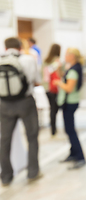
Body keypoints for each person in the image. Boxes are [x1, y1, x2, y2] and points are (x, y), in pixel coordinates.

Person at [0, 37, 42, 186]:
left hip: (4, 104)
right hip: (25, 102)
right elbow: (37, 80)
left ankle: (6, 175)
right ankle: (33, 172)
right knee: (32, 136)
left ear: (5, 47)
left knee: (4, 140)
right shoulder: (28, 59)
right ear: (20, 47)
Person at [55, 48, 86, 170]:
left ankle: (80, 157)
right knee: (69, 129)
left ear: (72, 56)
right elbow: (64, 77)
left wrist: (58, 83)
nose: (65, 56)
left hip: (70, 102)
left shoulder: (74, 70)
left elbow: (69, 88)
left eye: (67, 54)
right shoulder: (73, 68)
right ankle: (73, 153)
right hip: (69, 102)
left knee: (70, 130)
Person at [43, 44, 62, 136]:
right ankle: (53, 128)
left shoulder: (45, 61)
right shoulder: (57, 61)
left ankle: (52, 127)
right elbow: (59, 75)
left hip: (46, 88)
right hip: (54, 87)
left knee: (52, 108)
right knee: (54, 108)